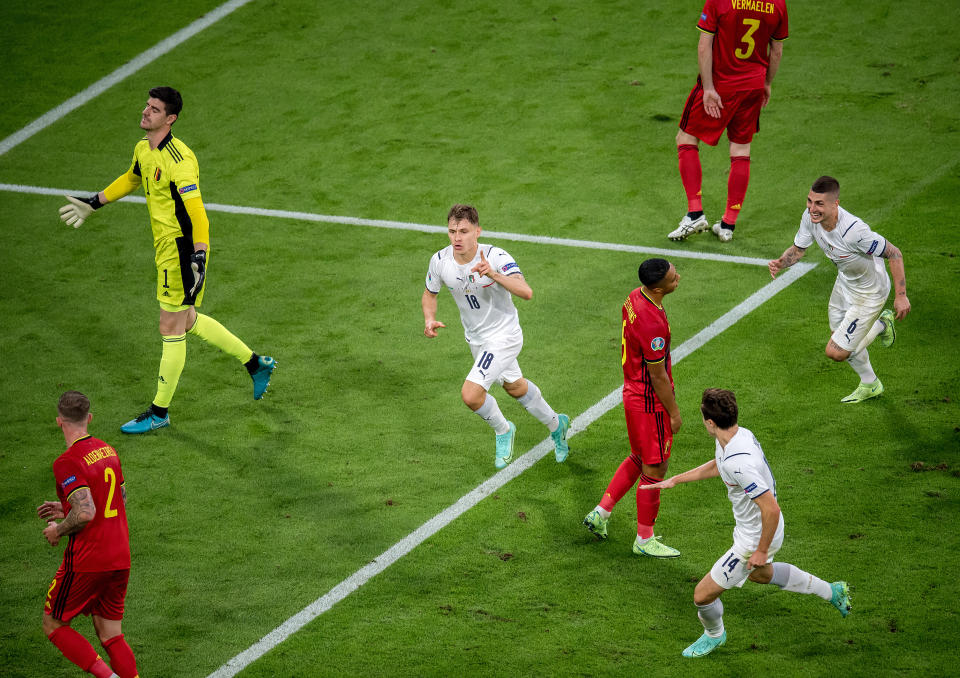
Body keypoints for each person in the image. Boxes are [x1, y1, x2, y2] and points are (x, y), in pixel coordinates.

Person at [57, 87, 276, 434]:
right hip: (165, 247)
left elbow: (199, 215)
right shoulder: (144, 149)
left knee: (170, 326)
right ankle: (255, 364)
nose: (146, 112)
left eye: (155, 110)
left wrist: (199, 256)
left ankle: (159, 411)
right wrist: (95, 202)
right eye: (147, 106)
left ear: (170, 119)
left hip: (181, 252)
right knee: (187, 319)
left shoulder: (180, 161)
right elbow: (133, 176)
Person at [641, 388, 851, 658]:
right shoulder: (736, 436)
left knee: (702, 595)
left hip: (756, 536)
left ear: (710, 423)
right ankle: (831, 590)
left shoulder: (739, 464)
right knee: (760, 574)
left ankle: (714, 635)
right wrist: (676, 479)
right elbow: (718, 465)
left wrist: (760, 550)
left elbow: (771, 510)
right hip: (754, 529)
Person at [421, 204, 570, 469]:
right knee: (515, 387)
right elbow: (430, 293)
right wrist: (429, 318)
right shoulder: (440, 261)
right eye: (452, 231)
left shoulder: (496, 256)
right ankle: (557, 425)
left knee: (471, 394)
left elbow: (526, 292)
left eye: (464, 231)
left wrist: (493, 273)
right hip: (476, 340)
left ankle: (504, 430)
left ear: (477, 231)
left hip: (505, 336)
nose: (457, 238)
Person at [769, 175, 910, 403]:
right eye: (810, 201)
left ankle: (883, 323)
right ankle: (870, 384)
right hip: (845, 283)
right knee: (839, 337)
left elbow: (895, 253)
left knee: (837, 351)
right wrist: (781, 262)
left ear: (835, 204)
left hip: (870, 292)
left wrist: (901, 296)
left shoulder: (855, 232)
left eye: (819, 204)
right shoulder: (810, 217)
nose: (812, 209)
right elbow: (799, 249)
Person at [583, 258, 682, 558]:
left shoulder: (635, 296)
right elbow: (658, 374)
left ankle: (601, 512)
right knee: (656, 467)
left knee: (639, 457)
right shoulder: (652, 322)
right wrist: (674, 413)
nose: (678, 277)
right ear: (657, 287)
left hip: (632, 391)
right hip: (649, 399)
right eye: (673, 277)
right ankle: (644, 538)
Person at [667, 0, 789, 243]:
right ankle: (727, 225)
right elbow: (776, 50)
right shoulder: (778, 4)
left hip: (722, 84)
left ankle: (694, 212)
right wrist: (766, 83)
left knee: (686, 138)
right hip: (753, 85)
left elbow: (705, 46)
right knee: (741, 148)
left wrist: (709, 88)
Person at [39, 392, 139, 677]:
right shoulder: (108, 450)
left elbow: (85, 513)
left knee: (54, 624)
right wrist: (67, 506)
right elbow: (119, 496)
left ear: (59, 422)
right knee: (110, 633)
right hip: (120, 556)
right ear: (89, 418)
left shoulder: (67, 461)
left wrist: (57, 529)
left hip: (88, 559)